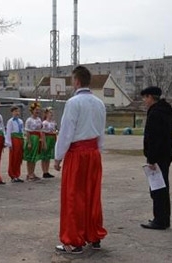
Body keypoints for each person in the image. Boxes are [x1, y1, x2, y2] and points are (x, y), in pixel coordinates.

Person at [54, 66, 107, 254]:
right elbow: (101, 131)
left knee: (73, 196)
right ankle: (94, 236)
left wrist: (58, 157)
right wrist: (98, 151)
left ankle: (74, 241)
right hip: (93, 154)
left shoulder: (73, 103)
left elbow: (66, 132)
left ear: (76, 81)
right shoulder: (99, 103)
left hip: (77, 154)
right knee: (93, 195)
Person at [139, 86, 172, 230]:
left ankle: (160, 220)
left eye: (145, 98)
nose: (144, 101)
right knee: (163, 187)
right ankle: (164, 218)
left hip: (158, 157)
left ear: (151, 97)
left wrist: (151, 159)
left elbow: (154, 138)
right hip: (166, 155)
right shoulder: (166, 110)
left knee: (157, 189)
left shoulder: (155, 114)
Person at [23, 102, 45, 181]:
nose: (37, 111)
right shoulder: (29, 120)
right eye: (36, 110)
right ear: (32, 111)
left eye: (38, 110)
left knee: (35, 157)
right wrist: (29, 142)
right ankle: (29, 173)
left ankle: (33, 172)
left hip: (37, 138)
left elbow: (41, 129)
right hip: (32, 138)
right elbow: (27, 132)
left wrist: (42, 140)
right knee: (30, 157)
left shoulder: (39, 119)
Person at [5, 106, 24, 183]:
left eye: (18, 111)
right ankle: (12, 174)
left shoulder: (20, 121)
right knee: (14, 157)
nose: (17, 113)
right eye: (15, 111)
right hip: (14, 139)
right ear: (12, 112)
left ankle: (17, 174)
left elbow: (22, 130)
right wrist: (9, 143)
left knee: (19, 158)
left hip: (20, 139)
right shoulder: (10, 121)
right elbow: (8, 132)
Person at [41, 107, 57, 178]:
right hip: (47, 138)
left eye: (52, 113)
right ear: (46, 114)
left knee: (48, 156)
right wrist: (44, 143)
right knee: (44, 156)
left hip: (52, 138)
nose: (51, 114)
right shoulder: (45, 123)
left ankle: (47, 171)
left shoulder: (53, 123)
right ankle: (44, 171)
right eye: (50, 113)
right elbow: (43, 133)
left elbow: (55, 131)